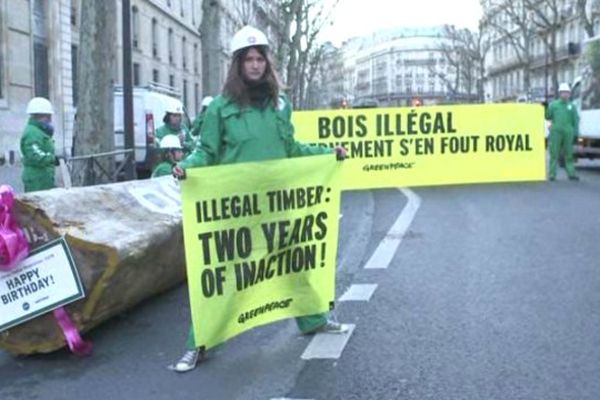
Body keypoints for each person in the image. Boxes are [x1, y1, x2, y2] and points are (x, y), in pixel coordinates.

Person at [171, 25, 349, 373]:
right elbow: (206, 152)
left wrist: (328, 154)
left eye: (260, 59)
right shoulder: (220, 108)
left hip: (278, 205)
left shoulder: (281, 106)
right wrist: (186, 168)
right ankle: (200, 343)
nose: (255, 65)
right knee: (227, 277)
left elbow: (292, 149)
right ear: (237, 65)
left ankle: (313, 320)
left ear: (267, 64)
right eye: (248, 59)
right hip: (236, 211)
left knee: (293, 264)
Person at [20, 97, 58, 192]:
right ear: (40, 117)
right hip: (36, 180)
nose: (50, 120)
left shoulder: (39, 132)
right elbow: (35, 155)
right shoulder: (32, 133)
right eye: (48, 117)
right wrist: (53, 159)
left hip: (43, 178)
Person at [546, 83, 580, 181]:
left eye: (567, 93)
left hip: (568, 132)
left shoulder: (572, 106)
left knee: (569, 154)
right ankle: (552, 174)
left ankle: (571, 174)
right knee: (554, 153)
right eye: (563, 93)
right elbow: (548, 116)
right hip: (556, 132)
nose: (565, 95)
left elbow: (575, 120)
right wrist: (550, 127)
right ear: (560, 93)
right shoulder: (553, 105)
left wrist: (576, 133)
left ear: (569, 94)